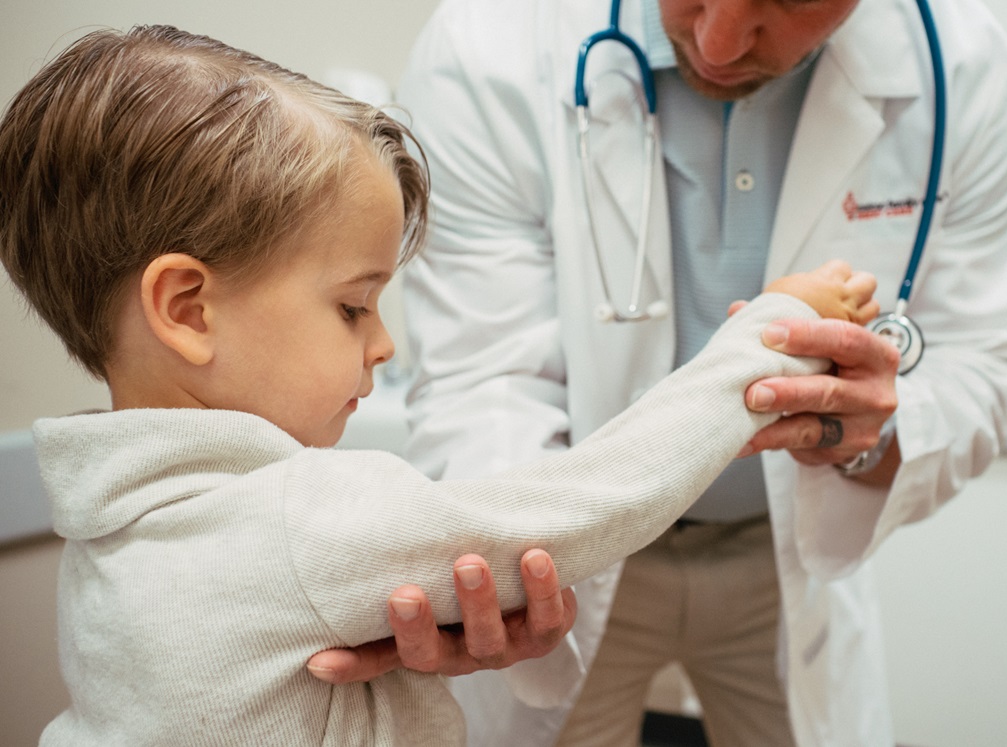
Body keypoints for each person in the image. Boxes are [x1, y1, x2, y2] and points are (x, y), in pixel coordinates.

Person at [0, 25, 883, 746]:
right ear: (188, 308)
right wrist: (763, 340)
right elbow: (587, 501)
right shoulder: (297, 519)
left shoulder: (112, 529)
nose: (384, 344)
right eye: (353, 306)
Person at [321, 0, 1007, 744]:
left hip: (782, 552)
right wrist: (505, 569)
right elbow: (489, 377)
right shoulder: (489, 43)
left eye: (789, 1)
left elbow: (986, 353)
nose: (719, 41)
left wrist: (873, 430)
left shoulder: (960, 69)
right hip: (570, 553)